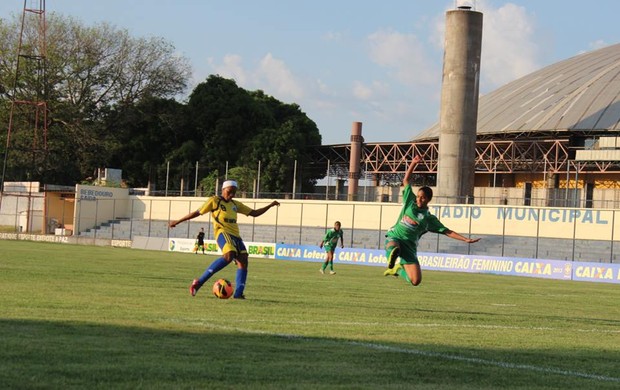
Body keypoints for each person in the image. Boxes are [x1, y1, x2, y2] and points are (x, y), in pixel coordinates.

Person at [169, 180, 280, 299]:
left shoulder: (235, 205)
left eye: (234, 192)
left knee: (243, 260)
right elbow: (197, 213)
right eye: (229, 192)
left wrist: (270, 205)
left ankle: (238, 294)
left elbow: (254, 213)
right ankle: (198, 283)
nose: (231, 194)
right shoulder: (214, 201)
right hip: (222, 232)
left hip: (236, 235)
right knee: (229, 255)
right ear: (223, 190)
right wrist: (178, 221)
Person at [384, 155, 481, 286]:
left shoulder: (429, 219)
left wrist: (465, 239)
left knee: (415, 281)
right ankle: (391, 257)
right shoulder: (409, 201)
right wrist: (413, 163)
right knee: (393, 245)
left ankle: (396, 269)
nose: (418, 199)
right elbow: (406, 180)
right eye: (418, 196)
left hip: (410, 246)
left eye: (422, 198)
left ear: (428, 199)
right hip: (396, 236)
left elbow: (447, 231)